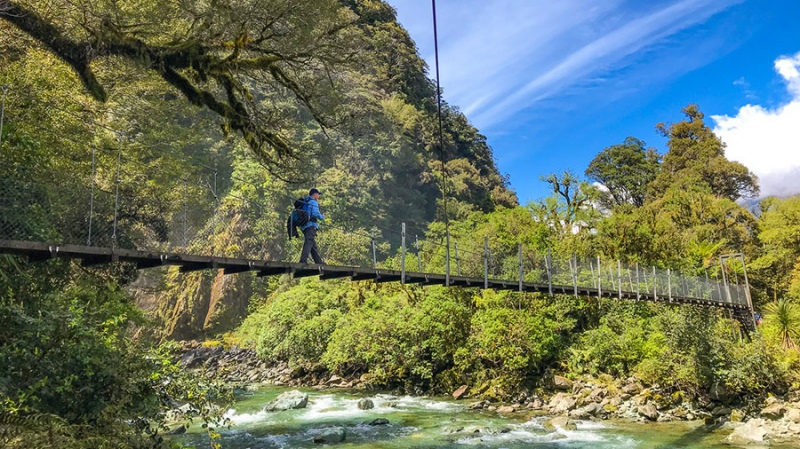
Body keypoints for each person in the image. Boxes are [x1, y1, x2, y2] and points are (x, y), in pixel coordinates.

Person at [299, 188, 325, 264]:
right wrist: (322, 217)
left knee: (312, 245)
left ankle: (318, 262)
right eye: (318, 194)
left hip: (304, 226)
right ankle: (303, 261)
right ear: (314, 194)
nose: (318, 196)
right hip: (311, 225)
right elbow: (315, 213)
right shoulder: (313, 202)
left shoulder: (306, 202)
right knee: (309, 242)